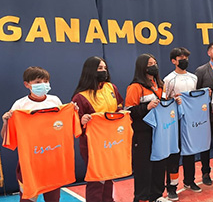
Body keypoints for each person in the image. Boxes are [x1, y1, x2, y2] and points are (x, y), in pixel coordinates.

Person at [1, 66, 63, 201]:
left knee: (53, 198)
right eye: (38, 82)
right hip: (29, 161)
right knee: (28, 198)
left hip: (52, 159)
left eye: (46, 81)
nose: (43, 85)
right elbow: (7, 137)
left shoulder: (55, 101)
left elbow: (62, 127)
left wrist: (72, 111)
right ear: (27, 85)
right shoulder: (20, 105)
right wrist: (6, 122)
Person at [71, 56, 123, 202]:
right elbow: (74, 124)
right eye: (100, 68)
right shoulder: (80, 97)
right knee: (96, 179)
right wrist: (81, 121)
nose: (103, 71)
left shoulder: (111, 88)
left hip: (112, 140)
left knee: (108, 175)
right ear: (90, 71)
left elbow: (120, 105)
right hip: (92, 145)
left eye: (105, 68)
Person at [125, 54, 169, 202]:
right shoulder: (135, 87)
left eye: (155, 63)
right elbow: (129, 111)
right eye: (150, 63)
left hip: (159, 132)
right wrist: (146, 107)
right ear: (142, 67)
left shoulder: (160, 85)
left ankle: (156, 196)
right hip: (142, 134)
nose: (154, 65)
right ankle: (141, 198)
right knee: (143, 168)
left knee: (159, 164)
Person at [162, 47, 201, 201]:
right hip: (174, 122)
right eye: (181, 58)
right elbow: (164, 100)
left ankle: (190, 181)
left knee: (190, 152)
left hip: (190, 121)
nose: (184, 60)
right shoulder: (168, 79)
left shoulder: (193, 78)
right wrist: (174, 100)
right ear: (174, 61)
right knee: (174, 155)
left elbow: (195, 97)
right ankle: (172, 187)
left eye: (186, 57)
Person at [195, 41, 213, 185]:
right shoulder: (201, 70)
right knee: (205, 145)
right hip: (207, 116)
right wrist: (205, 95)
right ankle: (205, 172)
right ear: (209, 53)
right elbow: (195, 92)